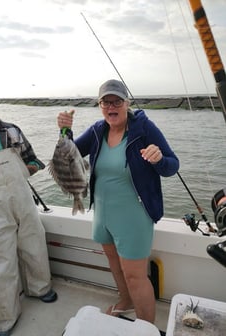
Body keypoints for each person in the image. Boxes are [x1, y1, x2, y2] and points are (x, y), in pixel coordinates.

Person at [57, 79, 179, 323]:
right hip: (102, 213)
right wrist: (64, 131)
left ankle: (146, 327)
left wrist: (158, 160)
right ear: (100, 105)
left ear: (127, 103)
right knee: (114, 263)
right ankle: (127, 301)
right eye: (106, 102)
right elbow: (68, 154)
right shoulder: (96, 130)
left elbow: (172, 166)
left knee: (136, 276)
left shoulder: (144, 129)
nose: (111, 106)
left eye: (117, 101)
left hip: (133, 215)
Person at [0, 86, 57, 336]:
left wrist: (25, 170)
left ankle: (40, 288)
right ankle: (5, 320)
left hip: (22, 199)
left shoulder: (11, 131)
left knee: (34, 243)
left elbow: (35, 160)